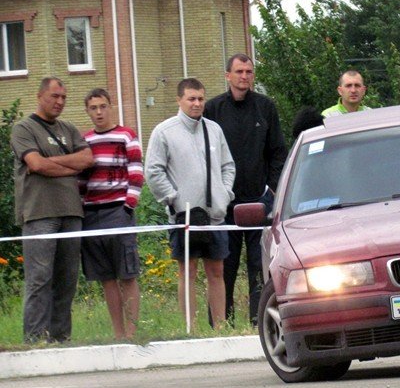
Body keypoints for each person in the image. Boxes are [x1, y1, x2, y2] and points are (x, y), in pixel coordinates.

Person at [145, 78, 236, 329]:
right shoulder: (164, 132)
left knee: (217, 271)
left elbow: (228, 166)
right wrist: (172, 199)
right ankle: (190, 328)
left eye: (200, 98)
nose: (197, 104)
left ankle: (219, 327)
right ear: (179, 100)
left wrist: (225, 192)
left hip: (215, 215)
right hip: (183, 216)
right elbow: (153, 171)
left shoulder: (214, 130)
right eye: (191, 99)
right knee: (188, 272)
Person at [204, 54, 287, 326]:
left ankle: (259, 323)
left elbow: (278, 153)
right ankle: (221, 324)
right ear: (227, 75)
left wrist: (272, 191)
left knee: (259, 268)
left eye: (249, 71)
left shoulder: (266, 108)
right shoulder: (213, 110)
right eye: (239, 71)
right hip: (223, 206)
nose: (244, 76)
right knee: (223, 267)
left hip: (258, 204)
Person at [10, 77, 94, 343]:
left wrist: (53, 163)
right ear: (40, 96)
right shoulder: (23, 129)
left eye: (63, 98)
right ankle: (34, 340)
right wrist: (69, 167)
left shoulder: (68, 129)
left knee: (67, 280)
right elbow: (35, 165)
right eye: (54, 96)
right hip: (38, 214)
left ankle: (61, 338)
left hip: (71, 212)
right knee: (39, 279)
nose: (59, 102)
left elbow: (87, 159)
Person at [80, 88, 143, 339]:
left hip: (119, 211)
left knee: (127, 274)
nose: (98, 112)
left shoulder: (127, 135)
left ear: (110, 106)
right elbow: (81, 181)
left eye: (102, 106)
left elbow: (136, 174)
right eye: (93, 108)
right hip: (92, 214)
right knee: (106, 278)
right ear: (88, 111)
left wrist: (128, 206)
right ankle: (118, 335)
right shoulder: (84, 141)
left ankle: (132, 333)